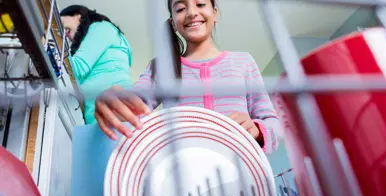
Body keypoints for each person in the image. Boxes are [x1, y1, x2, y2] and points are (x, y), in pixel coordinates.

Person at [94, 0, 282, 154]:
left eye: (200, 4)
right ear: (173, 23)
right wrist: (112, 101)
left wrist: (257, 130)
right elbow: (133, 106)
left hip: (240, 171)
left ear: (215, 13)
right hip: (184, 175)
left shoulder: (244, 62)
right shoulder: (161, 68)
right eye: (181, 8)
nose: (191, 12)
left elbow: (272, 123)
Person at [60, 5, 133, 124]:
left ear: (77, 15)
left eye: (61, 21)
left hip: (115, 112)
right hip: (105, 118)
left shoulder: (101, 27)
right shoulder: (103, 38)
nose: (63, 33)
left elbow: (75, 69)